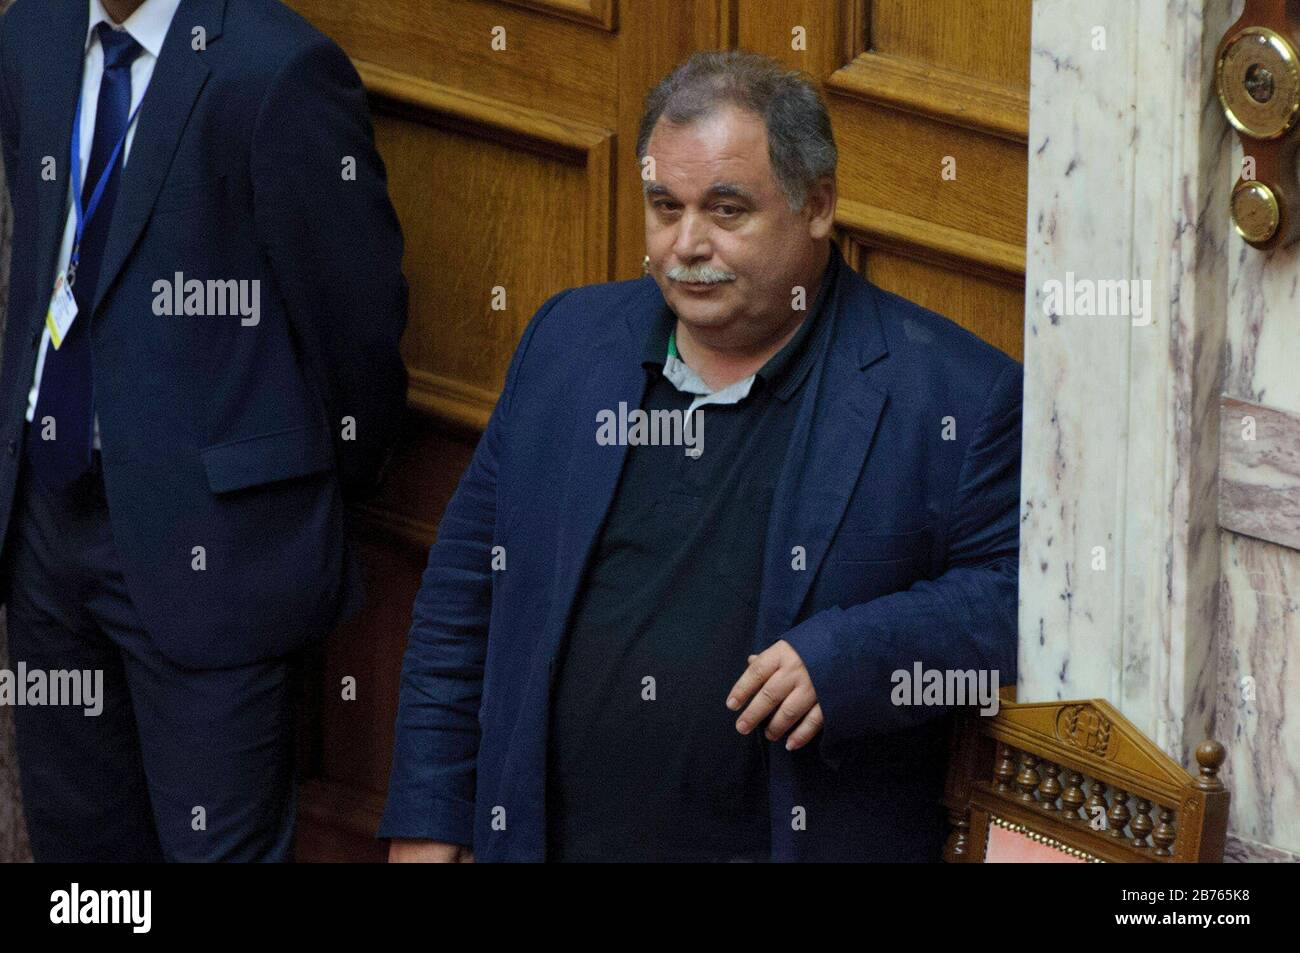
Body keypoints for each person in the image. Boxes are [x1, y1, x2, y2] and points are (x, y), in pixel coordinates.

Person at [380, 50, 1020, 862]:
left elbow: (1018, 602)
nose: (686, 245)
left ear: (817, 204)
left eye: (726, 210)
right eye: (664, 207)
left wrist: (855, 656)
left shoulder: (954, 393)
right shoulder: (569, 343)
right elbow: (462, 597)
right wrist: (431, 819)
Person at [0, 0, 408, 861]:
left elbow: (356, 326)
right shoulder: (31, 32)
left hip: (212, 552)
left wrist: (302, 490)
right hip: (46, 525)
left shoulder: (281, 70)